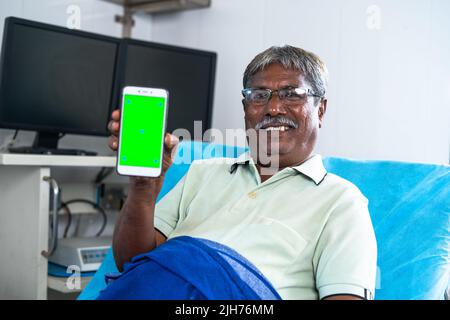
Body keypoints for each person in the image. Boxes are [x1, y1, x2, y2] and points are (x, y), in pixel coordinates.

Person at [106, 45, 377, 300]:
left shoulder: (342, 202)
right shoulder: (202, 173)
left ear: (321, 109)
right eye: (259, 95)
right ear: (246, 109)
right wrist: (143, 189)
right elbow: (131, 263)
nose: (273, 108)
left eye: (291, 94)